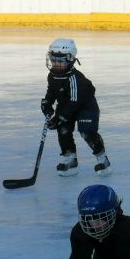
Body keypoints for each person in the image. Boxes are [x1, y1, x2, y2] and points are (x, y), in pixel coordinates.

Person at [40, 38, 111, 176]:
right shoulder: (52, 76)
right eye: (53, 59)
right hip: (68, 105)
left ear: (71, 59)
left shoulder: (74, 78)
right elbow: (52, 91)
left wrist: (59, 117)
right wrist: (47, 103)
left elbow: (75, 102)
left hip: (85, 106)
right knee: (63, 130)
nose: (56, 64)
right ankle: (70, 160)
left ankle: (103, 160)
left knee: (87, 132)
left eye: (60, 61)